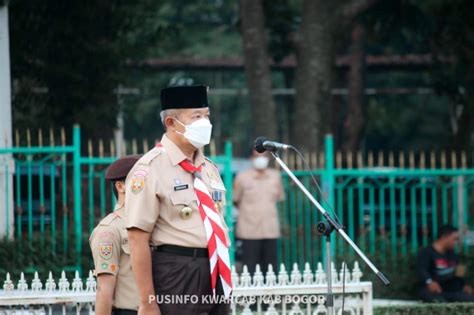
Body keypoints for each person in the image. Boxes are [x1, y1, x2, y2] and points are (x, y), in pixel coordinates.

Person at [126, 85, 232, 315]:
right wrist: (148, 302)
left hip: (215, 267)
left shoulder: (208, 168)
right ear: (171, 123)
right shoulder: (149, 169)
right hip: (177, 270)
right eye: (196, 116)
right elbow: (136, 239)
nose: (205, 123)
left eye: (207, 115)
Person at [89, 155, 142, 315]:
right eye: (140, 180)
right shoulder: (110, 230)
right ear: (121, 186)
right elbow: (104, 289)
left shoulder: (151, 225)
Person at [233, 148, 284, 275]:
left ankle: (272, 294)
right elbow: (235, 199)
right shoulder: (242, 177)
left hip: (270, 229)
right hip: (249, 229)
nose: (260, 159)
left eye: (264, 156)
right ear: (251, 158)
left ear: (268, 158)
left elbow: (280, 197)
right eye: (257, 156)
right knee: (250, 269)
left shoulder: (275, 176)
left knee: (271, 269)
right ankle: (252, 295)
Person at [416, 224, 474, 302]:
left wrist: (464, 285)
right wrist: (429, 282)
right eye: (455, 239)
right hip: (434, 292)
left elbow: (460, 273)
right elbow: (421, 270)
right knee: (437, 301)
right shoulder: (426, 253)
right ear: (444, 237)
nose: (457, 242)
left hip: (452, 291)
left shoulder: (453, 255)